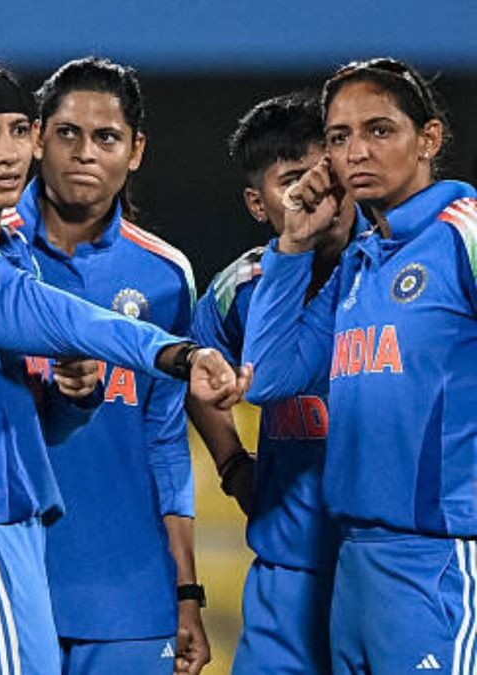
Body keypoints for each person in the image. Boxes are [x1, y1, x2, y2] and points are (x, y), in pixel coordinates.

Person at [0, 55, 251, 675]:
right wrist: (176, 352)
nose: (7, 154)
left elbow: (52, 419)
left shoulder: (3, 247)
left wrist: (71, 395)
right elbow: (55, 315)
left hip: (16, 542)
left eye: (17, 131)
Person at [241, 58, 477, 673]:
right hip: (355, 563)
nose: (357, 152)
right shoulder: (360, 262)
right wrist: (291, 245)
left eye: (380, 130)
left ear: (428, 139)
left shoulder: (464, 235)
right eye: (341, 138)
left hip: (440, 560)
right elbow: (268, 377)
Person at [10, 57, 207, 674]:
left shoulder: (165, 276)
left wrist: (186, 592)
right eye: (67, 133)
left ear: (136, 150)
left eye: (107, 137)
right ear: (38, 138)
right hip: (5, 578)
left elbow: (165, 440)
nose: (85, 153)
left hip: (129, 596)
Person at [186, 91, 349, 674]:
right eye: (291, 183)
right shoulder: (242, 288)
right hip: (285, 572)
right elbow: (195, 372)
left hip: (386, 561)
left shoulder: (396, 271)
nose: (315, 196)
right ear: (258, 203)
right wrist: (233, 464)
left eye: (324, 175)